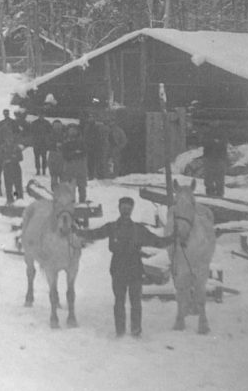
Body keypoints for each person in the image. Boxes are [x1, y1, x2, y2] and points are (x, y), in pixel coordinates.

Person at [78, 197, 174, 337]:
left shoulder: (138, 229)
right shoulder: (111, 227)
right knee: (119, 301)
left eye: (128, 208)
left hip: (135, 269)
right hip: (118, 269)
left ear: (131, 210)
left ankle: (136, 331)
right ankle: (120, 332)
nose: (126, 210)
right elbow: (95, 234)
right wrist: (78, 232)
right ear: (119, 208)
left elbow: (157, 242)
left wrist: (174, 238)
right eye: (123, 207)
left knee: (135, 302)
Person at [61, 125, 89, 203]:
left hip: (81, 168)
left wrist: (74, 154)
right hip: (70, 169)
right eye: (71, 130)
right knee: (71, 188)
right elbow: (65, 155)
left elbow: (84, 152)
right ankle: (72, 203)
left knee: (82, 187)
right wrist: (74, 153)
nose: (72, 132)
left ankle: (82, 202)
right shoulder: (66, 143)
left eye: (74, 130)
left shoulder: (82, 142)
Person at [201, 123, 228, 197]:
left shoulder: (223, 131)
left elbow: (223, 143)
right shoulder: (206, 131)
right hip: (209, 157)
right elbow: (203, 142)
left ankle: (219, 195)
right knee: (209, 178)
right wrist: (214, 141)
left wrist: (213, 142)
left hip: (219, 158)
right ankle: (210, 194)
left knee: (219, 179)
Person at [30, 111, 53, 176]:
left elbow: (50, 132)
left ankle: (44, 170)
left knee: (44, 157)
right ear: (38, 115)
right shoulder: (34, 123)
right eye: (40, 115)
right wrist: (33, 140)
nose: (41, 116)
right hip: (36, 143)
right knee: (37, 157)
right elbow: (31, 132)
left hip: (44, 143)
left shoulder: (47, 123)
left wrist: (48, 140)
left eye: (42, 115)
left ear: (44, 115)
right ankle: (38, 170)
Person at [2, 139, 24, 203]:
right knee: (8, 187)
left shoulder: (16, 148)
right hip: (7, 169)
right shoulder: (3, 148)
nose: (9, 142)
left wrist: (12, 159)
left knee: (17, 187)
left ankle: (17, 199)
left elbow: (21, 158)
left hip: (15, 169)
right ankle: (10, 200)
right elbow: (0, 157)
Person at [47, 120, 66, 189]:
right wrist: (55, 145)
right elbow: (47, 144)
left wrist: (62, 145)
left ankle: (63, 192)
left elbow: (68, 145)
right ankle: (55, 191)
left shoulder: (65, 135)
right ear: (53, 127)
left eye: (59, 126)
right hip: (53, 156)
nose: (57, 128)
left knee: (63, 176)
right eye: (56, 126)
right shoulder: (50, 135)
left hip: (62, 157)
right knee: (54, 175)